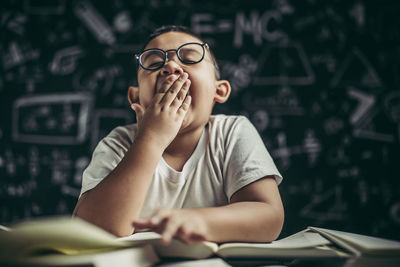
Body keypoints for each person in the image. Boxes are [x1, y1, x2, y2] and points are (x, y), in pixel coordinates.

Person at [73, 25, 284, 245]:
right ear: (135, 97)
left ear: (218, 91)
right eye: (155, 63)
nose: (171, 66)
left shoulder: (232, 132)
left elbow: (268, 217)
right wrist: (151, 139)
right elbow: (91, 230)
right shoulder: (118, 143)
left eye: (190, 59)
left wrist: (196, 221)